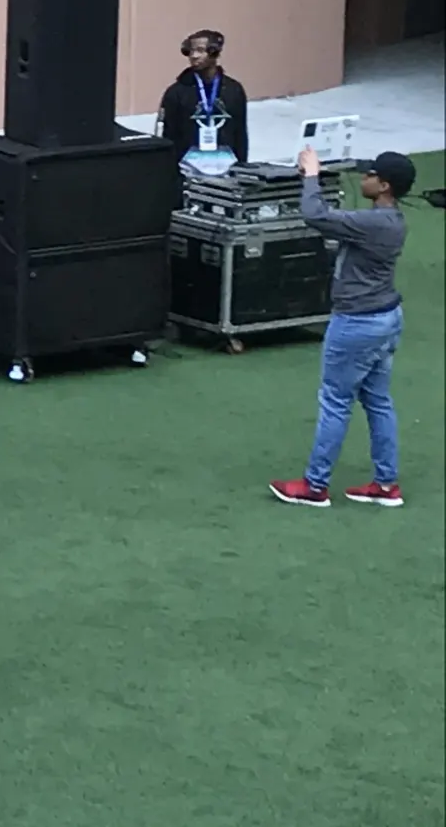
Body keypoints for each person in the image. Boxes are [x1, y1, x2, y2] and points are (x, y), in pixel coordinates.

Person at [269, 148, 415, 509]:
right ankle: (385, 485)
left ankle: (315, 486)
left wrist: (311, 175)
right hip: (386, 318)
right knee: (378, 401)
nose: (362, 178)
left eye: (369, 175)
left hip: (357, 323)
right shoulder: (390, 221)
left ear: (384, 186)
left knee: (335, 402)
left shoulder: (374, 224)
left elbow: (314, 214)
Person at [156, 30, 250, 172]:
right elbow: (168, 136)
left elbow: (240, 134)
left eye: (200, 50)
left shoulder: (233, 90)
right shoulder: (176, 92)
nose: (194, 56)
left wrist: (242, 167)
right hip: (187, 167)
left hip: (228, 166)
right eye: (191, 51)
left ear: (214, 52)